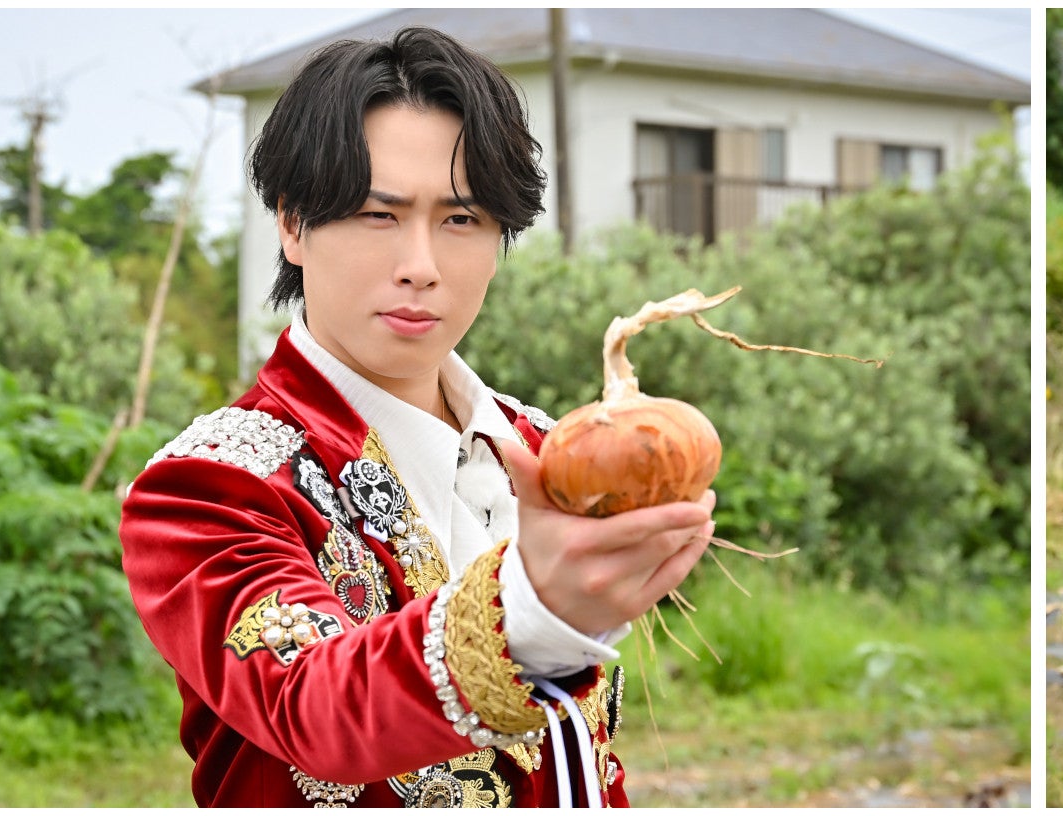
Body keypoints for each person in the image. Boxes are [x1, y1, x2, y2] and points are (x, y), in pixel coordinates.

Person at [121, 27, 714, 807]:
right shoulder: (210, 485)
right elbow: (312, 706)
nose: (422, 266)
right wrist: (528, 613)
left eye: (461, 220)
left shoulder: (537, 446)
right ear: (293, 224)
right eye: (377, 214)